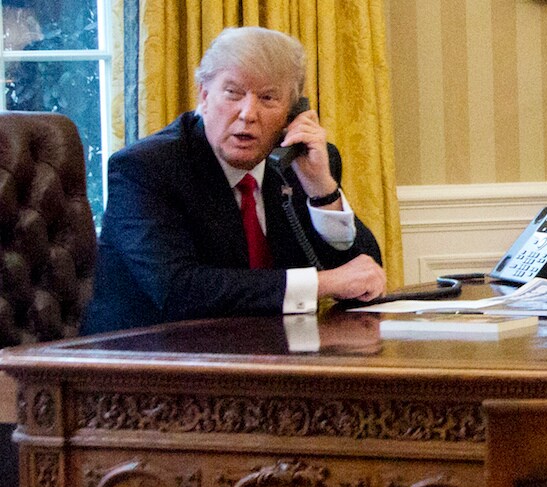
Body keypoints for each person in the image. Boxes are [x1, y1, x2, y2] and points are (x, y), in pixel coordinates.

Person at [81, 26, 386, 335]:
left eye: (268, 98)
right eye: (233, 93)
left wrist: (321, 191)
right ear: (204, 96)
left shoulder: (303, 161)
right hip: (146, 355)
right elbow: (179, 290)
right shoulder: (146, 168)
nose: (247, 114)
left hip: (272, 350)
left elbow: (364, 277)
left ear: (292, 113)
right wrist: (322, 284)